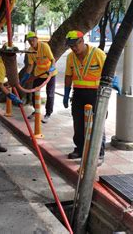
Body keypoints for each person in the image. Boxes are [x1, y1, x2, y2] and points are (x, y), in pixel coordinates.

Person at [63, 30, 106, 165]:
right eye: (71, 46)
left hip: (96, 94)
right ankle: (80, 149)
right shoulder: (71, 57)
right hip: (78, 93)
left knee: (97, 123)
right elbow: (69, 75)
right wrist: (66, 92)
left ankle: (99, 153)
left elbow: (109, 71)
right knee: (78, 123)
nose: (74, 49)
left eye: (75, 45)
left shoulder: (97, 54)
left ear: (82, 41)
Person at [20, 31, 57, 123]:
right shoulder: (30, 50)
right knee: (35, 91)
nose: (31, 42)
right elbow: (30, 65)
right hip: (39, 74)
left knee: (50, 94)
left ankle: (48, 113)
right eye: (29, 41)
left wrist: (52, 68)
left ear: (36, 39)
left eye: (33, 40)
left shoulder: (44, 46)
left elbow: (52, 59)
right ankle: (36, 111)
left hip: (50, 74)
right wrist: (26, 76)